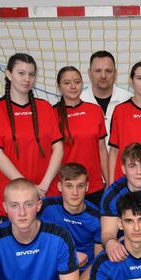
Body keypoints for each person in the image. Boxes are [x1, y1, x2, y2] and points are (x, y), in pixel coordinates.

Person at [0, 53, 64, 216]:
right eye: (21, 73)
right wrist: (28, 187)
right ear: (8, 74)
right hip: (15, 195)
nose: (27, 79)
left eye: (31, 74)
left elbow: (58, 148)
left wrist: (44, 185)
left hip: (46, 192)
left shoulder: (45, 107)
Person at [39, 163, 102, 280]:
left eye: (80, 186)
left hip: (83, 276)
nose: (75, 192)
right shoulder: (46, 208)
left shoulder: (96, 218)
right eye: (69, 186)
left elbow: (99, 261)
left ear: (87, 187)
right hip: (54, 271)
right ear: (60, 187)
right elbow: (35, 244)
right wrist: (71, 255)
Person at [54, 66, 108, 207]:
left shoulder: (95, 110)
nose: (73, 86)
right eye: (67, 83)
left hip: (94, 186)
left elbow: (102, 149)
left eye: (77, 82)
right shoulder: (51, 114)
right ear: (59, 86)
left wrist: (109, 181)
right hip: (67, 188)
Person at [80, 50, 132, 137]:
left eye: (108, 71)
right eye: (98, 71)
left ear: (115, 73)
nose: (103, 76)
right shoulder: (79, 99)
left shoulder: (128, 99)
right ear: (89, 73)